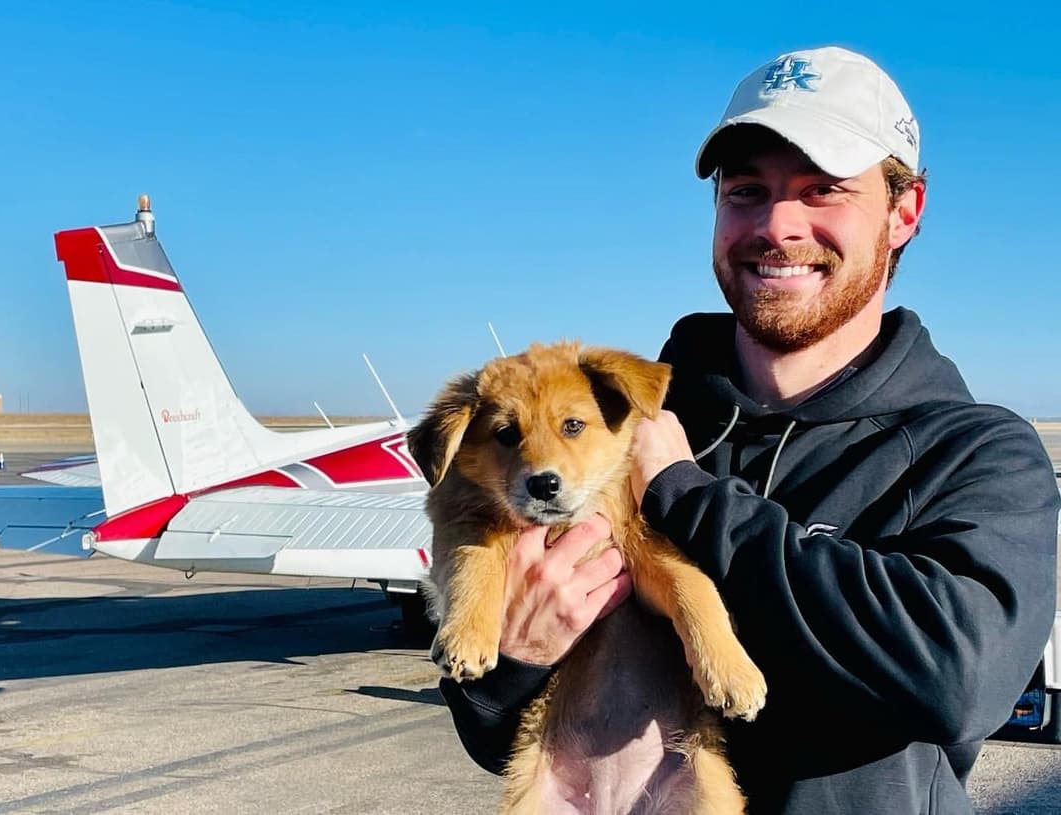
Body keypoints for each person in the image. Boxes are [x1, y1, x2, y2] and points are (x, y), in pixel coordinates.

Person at [438, 46, 1060, 813]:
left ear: (905, 211)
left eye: (822, 190)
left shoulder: (972, 452)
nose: (776, 224)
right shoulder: (618, 423)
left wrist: (684, 494)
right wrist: (512, 668)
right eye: (745, 191)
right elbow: (501, 729)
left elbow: (959, 675)